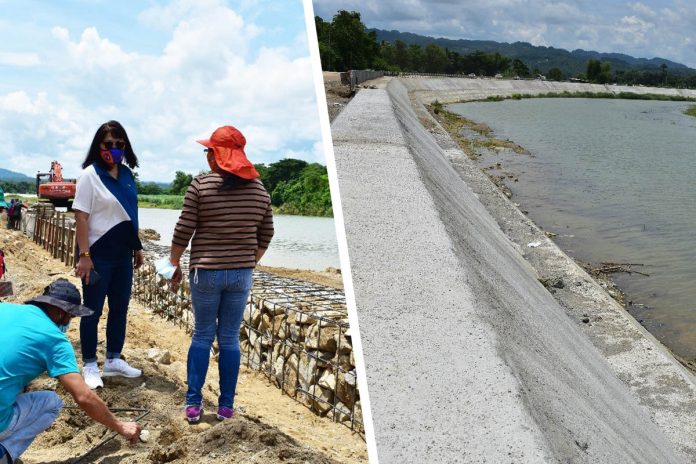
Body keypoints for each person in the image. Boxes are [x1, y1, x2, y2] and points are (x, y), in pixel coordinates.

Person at [167, 125, 274, 423]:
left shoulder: (200, 186)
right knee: (229, 339)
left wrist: (173, 262)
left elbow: (184, 229)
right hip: (240, 275)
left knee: (202, 335)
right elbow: (267, 233)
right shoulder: (258, 190)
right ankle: (226, 407)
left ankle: (193, 404)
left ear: (216, 155)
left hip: (206, 273)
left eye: (208, 151)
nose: (207, 156)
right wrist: (247, 261)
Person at [0, 279, 141, 463]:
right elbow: (83, 397)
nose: (69, 323)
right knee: (52, 403)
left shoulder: (6, 310)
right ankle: (4, 453)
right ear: (61, 313)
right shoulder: (55, 340)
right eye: (71, 317)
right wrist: (120, 426)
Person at [73, 121, 144, 389]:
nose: (113, 149)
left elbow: (131, 212)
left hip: (123, 254)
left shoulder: (126, 175)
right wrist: (84, 254)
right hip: (97, 254)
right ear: (98, 146)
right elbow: (81, 217)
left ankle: (113, 359)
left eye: (119, 144)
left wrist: (136, 247)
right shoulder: (89, 176)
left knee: (120, 308)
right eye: (108, 144)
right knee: (91, 310)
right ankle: (90, 363)